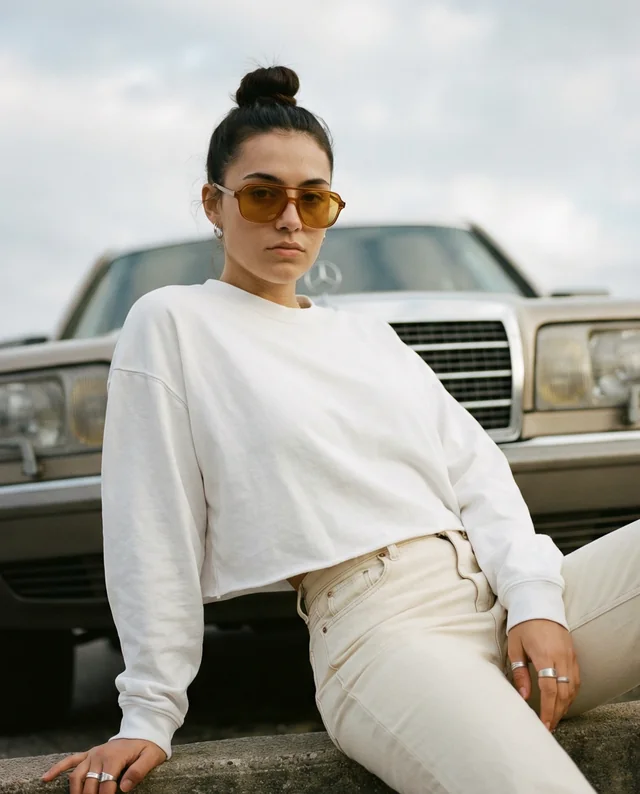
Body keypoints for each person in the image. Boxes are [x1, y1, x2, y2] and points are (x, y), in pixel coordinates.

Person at [43, 65, 639, 794]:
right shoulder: (173, 322)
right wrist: (148, 713)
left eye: (314, 198)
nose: (290, 219)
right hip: (382, 634)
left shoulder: (369, 338)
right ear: (213, 202)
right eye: (263, 195)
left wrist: (536, 603)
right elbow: (149, 523)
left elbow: (478, 476)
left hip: (497, 596)